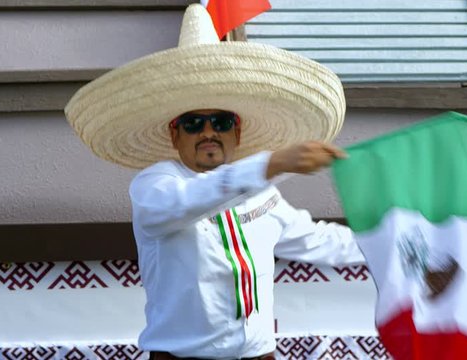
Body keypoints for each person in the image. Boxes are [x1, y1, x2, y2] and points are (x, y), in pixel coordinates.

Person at [65, 4, 364, 360]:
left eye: (220, 122)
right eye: (193, 123)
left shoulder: (261, 190)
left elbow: (321, 241)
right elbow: (189, 200)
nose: (208, 132)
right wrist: (271, 164)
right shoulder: (156, 185)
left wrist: (405, 243)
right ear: (174, 136)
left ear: (237, 133)